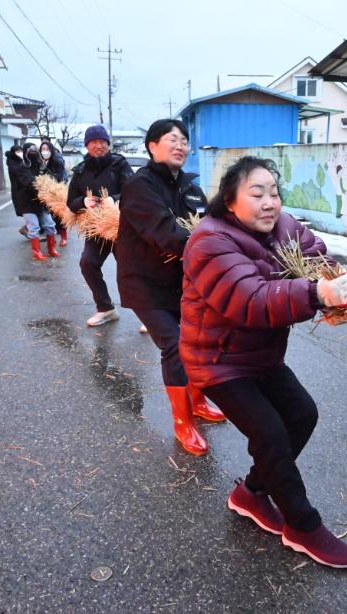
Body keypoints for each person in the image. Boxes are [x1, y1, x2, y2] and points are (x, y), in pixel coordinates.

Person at [180, 156, 347, 568]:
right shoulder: (209, 241)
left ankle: (252, 492)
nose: (269, 203)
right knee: (272, 435)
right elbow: (249, 300)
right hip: (218, 361)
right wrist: (315, 294)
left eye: (274, 193)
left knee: (302, 414)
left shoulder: (284, 227)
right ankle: (302, 525)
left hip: (260, 354)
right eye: (256, 194)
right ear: (229, 201)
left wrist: (339, 287)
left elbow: (316, 256)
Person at [116, 119, 225, 456]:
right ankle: (182, 423)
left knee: (197, 340)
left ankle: (197, 400)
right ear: (152, 146)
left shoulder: (188, 185)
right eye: (171, 139)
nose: (179, 145)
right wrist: (217, 247)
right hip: (144, 284)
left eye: (184, 140)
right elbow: (165, 234)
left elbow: (211, 220)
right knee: (176, 345)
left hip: (180, 281)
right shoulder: (139, 186)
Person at [66, 125, 134, 327]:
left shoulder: (119, 164)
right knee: (87, 263)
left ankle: (150, 314)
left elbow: (135, 190)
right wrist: (82, 203)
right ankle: (106, 308)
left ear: (108, 144)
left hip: (122, 228)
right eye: (94, 142)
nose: (99, 145)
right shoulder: (80, 170)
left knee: (131, 269)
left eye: (102, 141)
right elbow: (71, 201)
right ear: (87, 145)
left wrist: (115, 199)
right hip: (96, 229)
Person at [8, 143, 59, 260]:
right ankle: (36, 252)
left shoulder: (39, 165)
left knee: (50, 225)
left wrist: (52, 183)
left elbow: (50, 176)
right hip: (26, 203)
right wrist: (40, 186)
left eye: (35, 150)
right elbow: (28, 182)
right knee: (34, 227)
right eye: (30, 150)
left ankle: (51, 249)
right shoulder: (20, 167)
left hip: (40, 202)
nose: (33, 152)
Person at [38, 140, 70, 246]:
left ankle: (63, 237)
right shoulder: (39, 162)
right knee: (47, 217)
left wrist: (54, 184)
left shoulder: (57, 161)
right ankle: (51, 238)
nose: (45, 152)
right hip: (44, 194)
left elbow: (63, 177)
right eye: (43, 149)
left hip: (56, 193)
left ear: (51, 150)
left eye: (47, 149)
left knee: (59, 216)